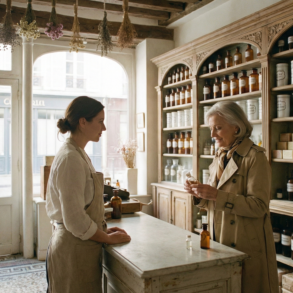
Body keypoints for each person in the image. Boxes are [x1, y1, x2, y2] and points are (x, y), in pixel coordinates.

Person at [184, 101, 278, 293]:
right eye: (211, 129)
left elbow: (259, 206)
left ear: (236, 127)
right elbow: (214, 199)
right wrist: (198, 193)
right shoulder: (220, 155)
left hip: (246, 244)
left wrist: (217, 196)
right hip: (220, 240)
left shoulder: (255, 157)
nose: (212, 135)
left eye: (218, 128)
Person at [46, 96, 131, 293]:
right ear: (83, 122)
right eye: (100, 121)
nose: (104, 128)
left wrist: (102, 232)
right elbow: (75, 219)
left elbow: (82, 208)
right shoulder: (70, 158)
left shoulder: (79, 153)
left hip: (81, 246)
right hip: (72, 250)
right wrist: (107, 239)